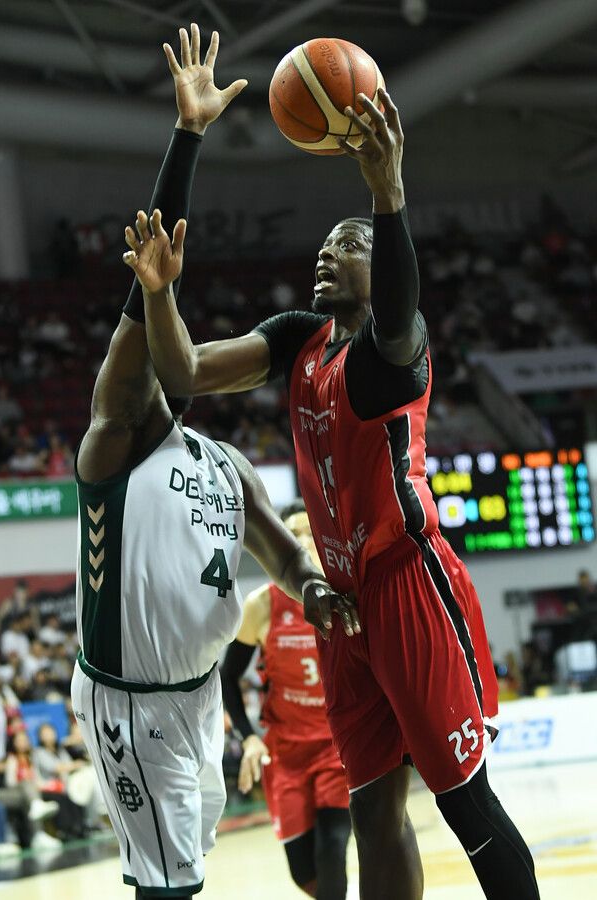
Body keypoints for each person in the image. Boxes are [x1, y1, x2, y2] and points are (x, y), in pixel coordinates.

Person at [126, 34, 541, 899]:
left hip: (409, 584)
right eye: (322, 243)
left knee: (468, 809)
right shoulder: (298, 338)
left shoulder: (396, 352)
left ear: (374, 263)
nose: (326, 250)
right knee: (375, 815)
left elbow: (399, 303)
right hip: (342, 604)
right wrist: (160, 291)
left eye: (345, 243)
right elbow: (183, 373)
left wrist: (384, 196)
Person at [71, 25, 358, 900]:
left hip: (197, 699)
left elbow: (278, 551)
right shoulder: (112, 444)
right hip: (131, 698)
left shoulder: (228, 464)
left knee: (183, 875)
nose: (156, 362)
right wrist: (186, 139)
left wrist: (312, 587)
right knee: (169, 887)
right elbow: (147, 338)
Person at [221, 500, 351, 900]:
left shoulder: (347, 593)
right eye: (290, 535)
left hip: (337, 747)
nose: (299, 541)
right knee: (303, 873)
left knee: (333, 849)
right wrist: (250, 736)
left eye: (307, 532)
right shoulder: (262, 605)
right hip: (287, 752)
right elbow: (227, 678)